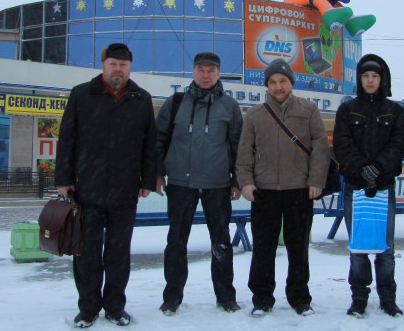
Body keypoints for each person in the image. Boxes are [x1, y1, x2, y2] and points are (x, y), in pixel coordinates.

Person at [55, 43, 157, 328]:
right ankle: (88, 308)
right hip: (87, 189)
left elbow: (150, 143)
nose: (118, 70)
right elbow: (67, 139)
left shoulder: (141, 98)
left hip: (125, 190)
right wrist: (64, 179)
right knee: (86, 253)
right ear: (103, 66)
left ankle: (115, 307)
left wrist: (147, 179)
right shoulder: (82, 95)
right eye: (113, 64)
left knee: (118, 253)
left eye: (123, 65)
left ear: (130, 67)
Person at [236, 58, 330, 317]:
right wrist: (246, 182)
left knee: (298, 247)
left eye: (283, 81)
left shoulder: (308, 109)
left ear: (291, 82)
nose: (278, 86)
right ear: (267, 85)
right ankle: (262, 298)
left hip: (299, 189)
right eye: (273, 82)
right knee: (263, 248)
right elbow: (244, 152)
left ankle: (300, 297)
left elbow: (320, 148)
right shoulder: (255, 114)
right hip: (264, 190)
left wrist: (316, 181)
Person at [155, 52, 243, 315]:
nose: (206, 75)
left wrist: (237, 180)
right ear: (193, 72)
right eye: (201, 70)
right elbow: (159, 140)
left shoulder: (230, 106)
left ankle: (225, 296)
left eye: (211, 70)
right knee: (176, 241)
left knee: (221, 242)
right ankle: (172, 297)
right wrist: (157, 174)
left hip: (217, 185)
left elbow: (238, 146)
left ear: (219, 73)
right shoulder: (175, 103)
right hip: (180, 184)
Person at [333, 54, 404, 318]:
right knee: (358, 247)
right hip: (355, 187)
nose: (370, 80)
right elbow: (342, 144)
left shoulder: (395, 111)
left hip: (384, 187)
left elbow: (398, 144)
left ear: (382, 79)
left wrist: (378, 168)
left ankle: (388, 298)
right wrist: (362, 168)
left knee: (385, 248)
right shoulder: (347, 109)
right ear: (359, 79)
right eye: (365, 75)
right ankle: (359, 299)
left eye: (375, 75)